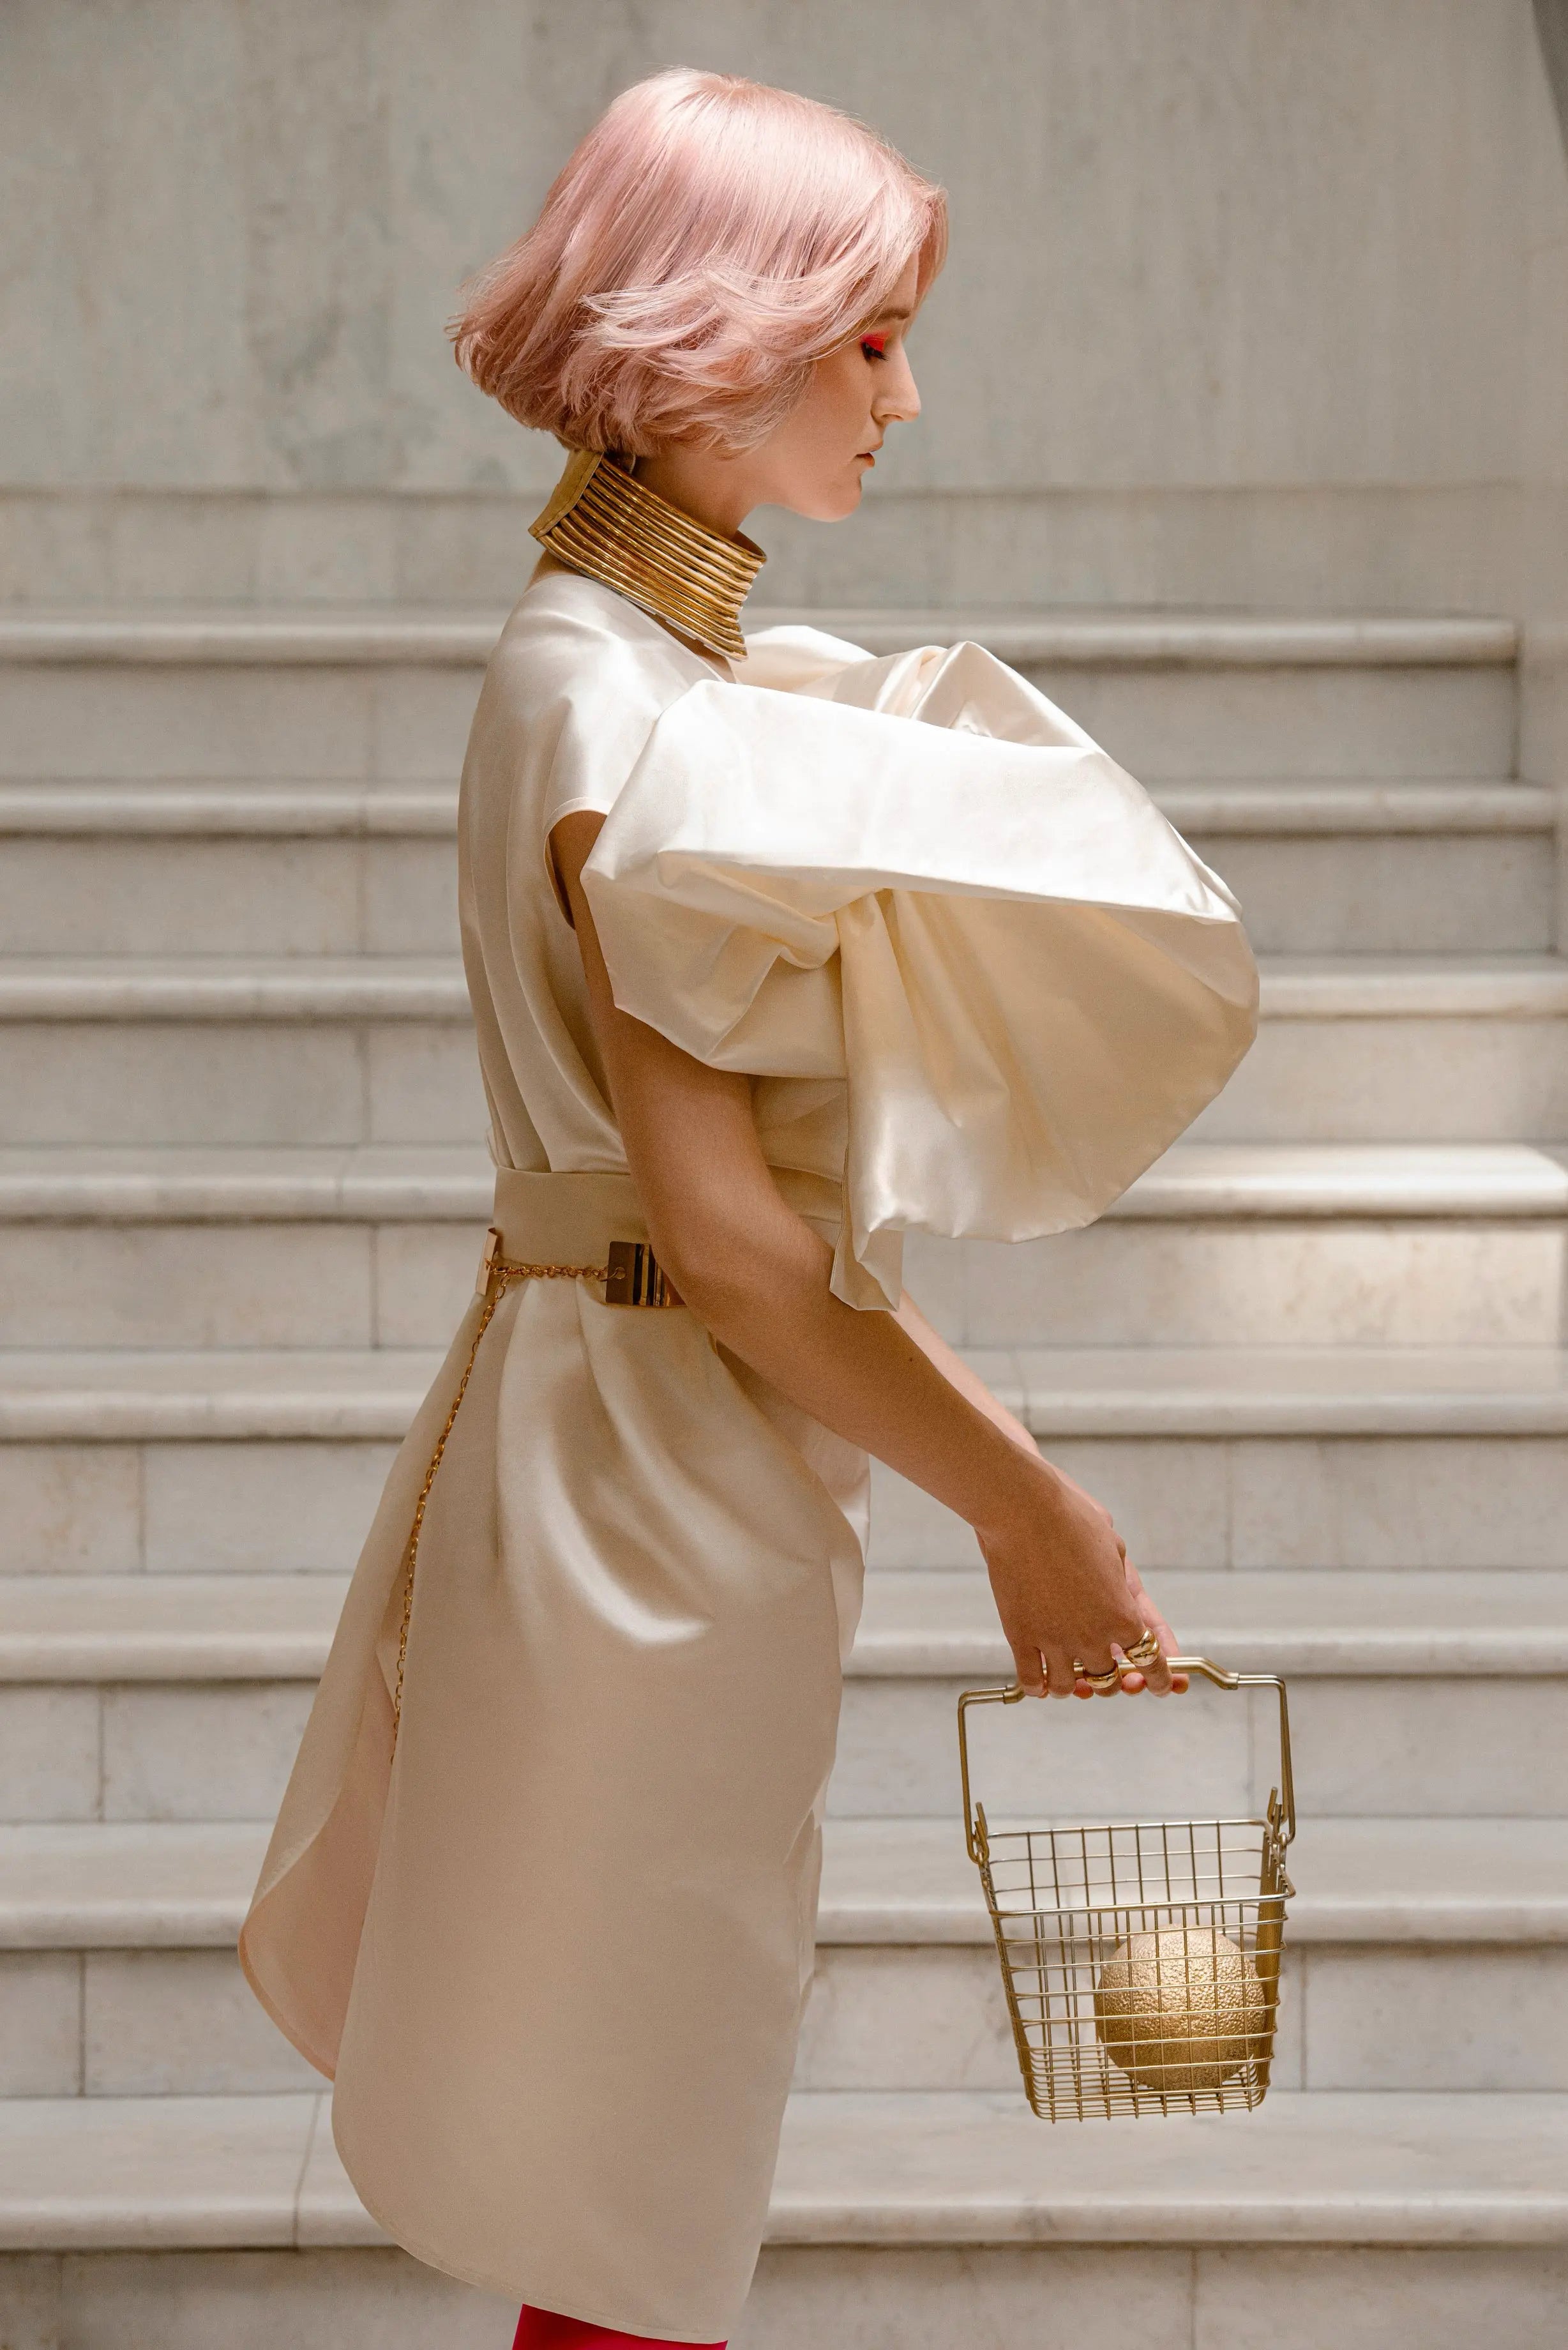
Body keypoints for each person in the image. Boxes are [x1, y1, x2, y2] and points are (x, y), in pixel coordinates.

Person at [239, 66, 1257, 2350]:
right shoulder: (632, 706)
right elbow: (728, 1248)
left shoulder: (625, 667)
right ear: (725, 336)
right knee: (637, 2213)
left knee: (637, 2182)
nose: (907, 390)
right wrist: (1035, 1511)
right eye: (871, 334)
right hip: (644, 1475)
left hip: (631, 1448)